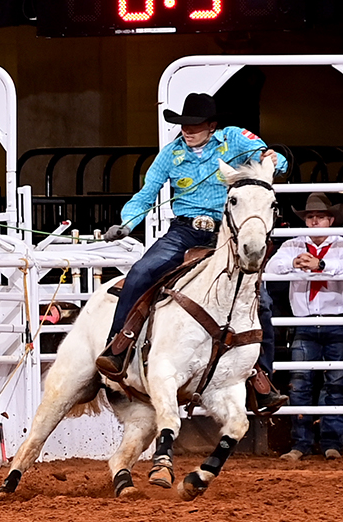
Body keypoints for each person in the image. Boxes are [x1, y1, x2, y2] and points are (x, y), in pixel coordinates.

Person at [95, 92, 286, 412]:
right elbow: (146, 193)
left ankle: (259, 374)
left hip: (227, 233)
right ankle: (119, 343)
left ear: (212, 125)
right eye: (184, 124)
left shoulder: (235, 138)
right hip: (183, 230)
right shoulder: (170, 154)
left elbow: (277, 162)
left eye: (195, 124)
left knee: (260, 299)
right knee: (142, 272)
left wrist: (268, 159)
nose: (188, 130)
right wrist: (127, 223)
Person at [268, 194, 343, 461]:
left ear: (330, 220)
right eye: (310, 217)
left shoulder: (341, 244)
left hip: (336, 321)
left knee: (336, 383)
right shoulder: (292, 245)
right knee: (300, 383)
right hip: (304, 321)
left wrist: (320, 265)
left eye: (319, 217)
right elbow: (271, 266)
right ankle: (300, 443)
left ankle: (331, 442)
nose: (313, 221)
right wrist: (293, 263)